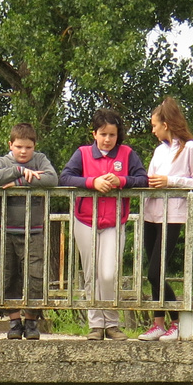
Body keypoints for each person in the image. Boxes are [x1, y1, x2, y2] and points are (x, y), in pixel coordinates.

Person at [60, 108, 147, 340]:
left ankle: (112, 323)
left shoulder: (127, 154)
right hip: (85, 220)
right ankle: (96, 325)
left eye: (112, 135)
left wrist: (122, 181)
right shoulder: (82, 153)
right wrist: (92, 182)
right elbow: (65, 177)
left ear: (118, 135)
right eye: (103, 134)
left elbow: (143, 180)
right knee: (91, 274)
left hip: (114, 222)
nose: (107, 139)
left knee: (108, 274)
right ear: (94, 134)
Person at [138, 97, 193, 342]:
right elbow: (150, 176)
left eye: (155, 125)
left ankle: (176, 321)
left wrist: (171, 181)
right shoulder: (159, 150)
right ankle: (158, 323)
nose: (153, 130)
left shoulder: (189, 148)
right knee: (154, 272)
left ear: (166, 124)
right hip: (151, 214)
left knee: (155, 272)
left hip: (173, 215)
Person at [0, 123, 57, 340]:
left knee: (35, 276)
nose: (23, 151)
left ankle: (32, 322)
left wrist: (16, 182)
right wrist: (19, 171)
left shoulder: (41, 160)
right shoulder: (2, 162)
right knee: (7, 277)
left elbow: (52, 180)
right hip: (5, 229)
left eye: (28, 147)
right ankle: (14, 322)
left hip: (34, 230)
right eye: (19, 147)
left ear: (34, 146)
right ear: (11, 145)